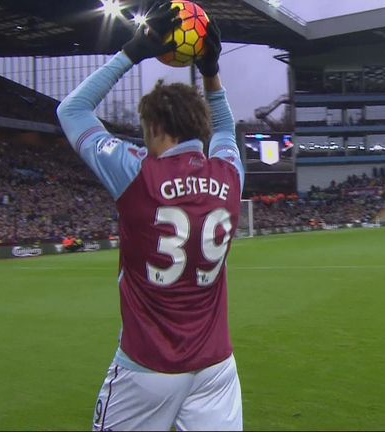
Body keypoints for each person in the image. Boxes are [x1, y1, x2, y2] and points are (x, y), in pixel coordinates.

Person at [56, 2, 244, 431]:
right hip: (217, 368)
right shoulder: (230, 175)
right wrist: (212, 73)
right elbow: (228, 133)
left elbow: (72, 111)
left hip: (148, 370)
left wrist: (131, 52)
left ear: (157, 128)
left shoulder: (137, 173)